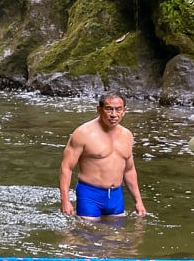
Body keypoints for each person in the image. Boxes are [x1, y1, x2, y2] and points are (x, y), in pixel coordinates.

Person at [59, 91, 146, 219]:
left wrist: (138, 201)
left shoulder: (127, 135)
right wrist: (65, 200)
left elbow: (129, 170)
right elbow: (66, 167)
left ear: (124, 111)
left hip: (115, 196)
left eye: (118, 109)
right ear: (99, 110)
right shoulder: (83, 133)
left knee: (118, 231)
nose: (114, 114)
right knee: (88, 230)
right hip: (89, 194)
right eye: (109, 109)